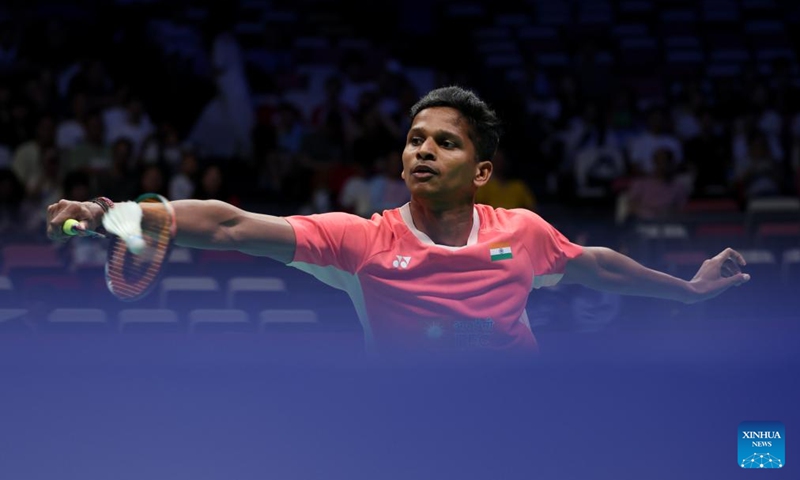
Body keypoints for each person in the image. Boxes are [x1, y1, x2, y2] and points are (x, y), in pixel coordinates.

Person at [46, 86, 750, 358]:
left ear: (481, 170)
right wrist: (118, 217)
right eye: (415, 138)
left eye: (444, 141)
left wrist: (686, 292)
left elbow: (597, 263)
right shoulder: (361, 241)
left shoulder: (523, 233)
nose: (422, 150)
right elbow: (228, 224)